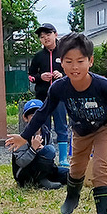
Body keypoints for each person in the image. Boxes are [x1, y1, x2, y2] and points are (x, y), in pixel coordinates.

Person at [5, 33, 107, 214]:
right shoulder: (59, 87)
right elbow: (43, 112)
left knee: (100, 166)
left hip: (106, 127)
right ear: (61, 63)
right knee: (76, 168)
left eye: (80, 61)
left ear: (90, 61)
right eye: (69, 61)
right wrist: (25, 135)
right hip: (81, 130)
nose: (75, 67)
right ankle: (72, 197)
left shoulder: (103, 85)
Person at [28, 23, 70, 166]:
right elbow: (31, 76)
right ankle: (46, 157)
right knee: (44, 128)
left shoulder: (65, 53)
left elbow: (73, 71)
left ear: (55, 35)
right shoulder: (38, 56)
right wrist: (40, 77)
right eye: (42, 36)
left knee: (61, 126)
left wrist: (62, 74)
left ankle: (63, 158)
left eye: (48, 34)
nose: (45, 38)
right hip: (43, 98)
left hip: (60, 96)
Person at [12, 99, 69, 190]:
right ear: (25, 118)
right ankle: (40, 181)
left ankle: (45, 177)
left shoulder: (46, 133)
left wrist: (43, 150)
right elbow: (20, 162)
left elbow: (52, 156)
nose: (36, 118)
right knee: (49, 150)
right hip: (25, 174)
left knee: (69, 173)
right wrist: (33, 149)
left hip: (43, 169)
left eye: (39, 115)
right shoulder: (21, 137)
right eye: (32, 115)